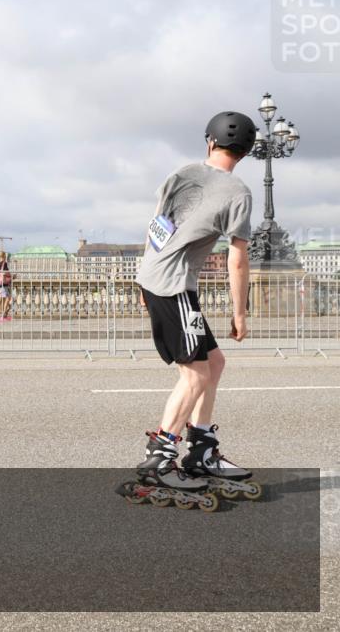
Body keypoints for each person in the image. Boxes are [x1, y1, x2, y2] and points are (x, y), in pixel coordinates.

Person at [131, 111, 258, 500]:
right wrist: (240, 312)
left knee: (213, 363)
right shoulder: (238, 193)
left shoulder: (179, 174)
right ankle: (160, 456)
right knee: (195, 375)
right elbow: (238, 259)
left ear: (209, 142)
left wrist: (142, 275)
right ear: (247, 152)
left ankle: (201, 450)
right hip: (174, 287)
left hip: (157, 278)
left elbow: (156, 228)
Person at [0, 251, 13, 323]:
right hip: (4, 284)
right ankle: (4, 314)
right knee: (8, 298)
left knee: (0, 300)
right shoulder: (4, 264)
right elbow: (7, 273)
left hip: (0, 284)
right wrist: (11, 276)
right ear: (4, 256)